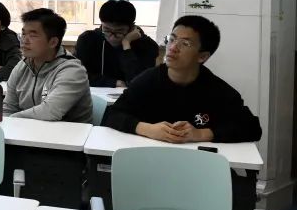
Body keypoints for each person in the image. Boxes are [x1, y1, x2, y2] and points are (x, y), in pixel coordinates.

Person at [103, 15, 261, 143]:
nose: (172, 48)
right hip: (151, 158)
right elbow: (111, 115)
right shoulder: (148, 80)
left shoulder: (216, 89)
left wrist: (200, 134)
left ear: (202, 56)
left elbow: (252, 127)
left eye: (185, 43)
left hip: (198, 163)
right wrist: (147, 129)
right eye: (172, 39)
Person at [4, 9, 92, 123]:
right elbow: (8, 108)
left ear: (53, 42)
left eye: (32, 35)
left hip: (66, 133)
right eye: (23, 34)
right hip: (28, 130)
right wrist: (5, 124)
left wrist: (11, 120)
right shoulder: (22, 66)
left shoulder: (73, 71)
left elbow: (50, 111)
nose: (24, 40)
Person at [74, 0, 159, 88]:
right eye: (107, 30)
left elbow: (140, 82)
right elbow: (77, 74)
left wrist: (126, 44)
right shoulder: (87, 40)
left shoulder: (148, 46)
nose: (112, 37)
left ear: (131, 28)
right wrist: (114, 82)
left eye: (119, 31)